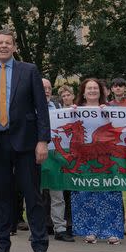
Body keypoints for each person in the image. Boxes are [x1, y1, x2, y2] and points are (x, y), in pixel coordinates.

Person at [0, 29, 50, 252]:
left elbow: (41, 109)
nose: (4, 46)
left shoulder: (29, 71)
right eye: (0, 43)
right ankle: (2, 246)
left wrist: (42, 141)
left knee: (33, 197)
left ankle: (39, 248)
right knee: (1, 198)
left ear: (14, 47)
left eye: (8, 43)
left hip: (27, 143)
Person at [69, 78, 125, 245]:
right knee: (85, 193)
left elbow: (122, 127)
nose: (92, 91)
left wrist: (109, 115)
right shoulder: (75, 110)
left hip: (106, 154)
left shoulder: (111, 109)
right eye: (89, 88)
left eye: (95, 88)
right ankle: (89, 231)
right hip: (84, 157)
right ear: (83, 92)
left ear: (101, 91)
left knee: (110, 193)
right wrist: (70, 113)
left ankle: (112, 232)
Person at [42, 78, 73, 242]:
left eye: (48, 88)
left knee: (57, 194)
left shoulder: (59, 108)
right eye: (43, 88)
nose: (46, 90)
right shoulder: (28, 107)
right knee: (36, 195)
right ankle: (37, 228)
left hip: (55, 156)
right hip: (35, 155)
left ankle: (60, 228)